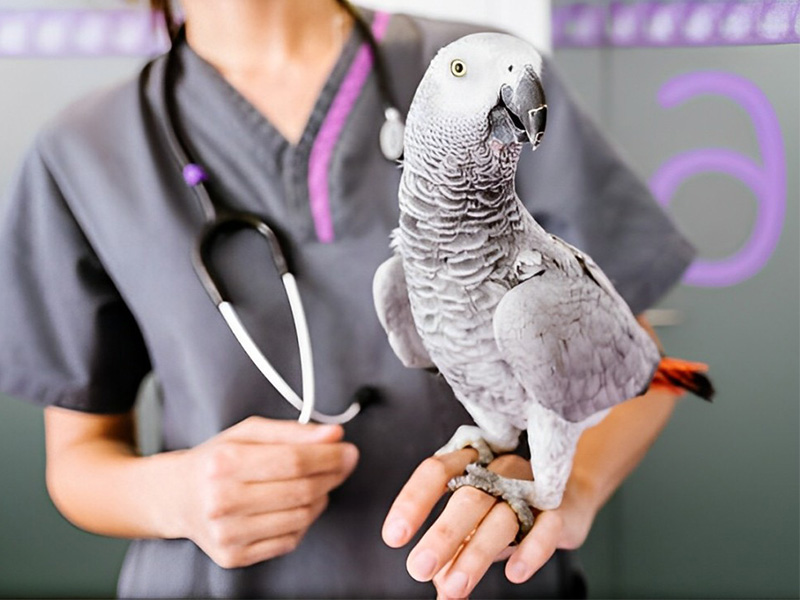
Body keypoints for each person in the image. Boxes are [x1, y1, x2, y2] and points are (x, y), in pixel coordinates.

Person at [0, 1, 696, 598]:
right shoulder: (82, 150)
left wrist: (564, 492)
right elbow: (79, 459)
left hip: (481, 579)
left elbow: (640, 373)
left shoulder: (483, 72)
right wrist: (176, 497)